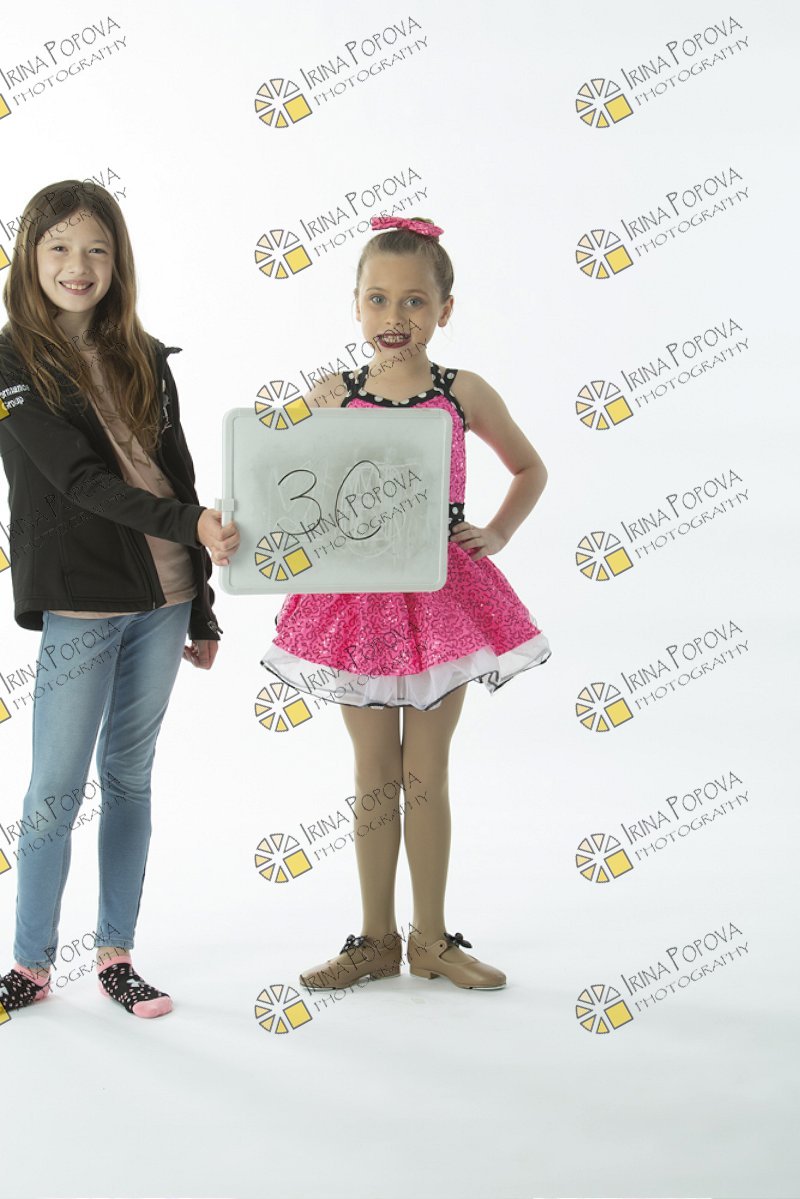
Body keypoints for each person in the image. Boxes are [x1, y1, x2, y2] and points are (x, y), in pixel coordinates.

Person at [261, 214, 551, 991]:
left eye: (416, 301)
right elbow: (282, 482)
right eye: (380, 299)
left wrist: (497, 530)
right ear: (356, 305)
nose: (397, 316)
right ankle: (373, 937)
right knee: (372, 771)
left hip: (439, 599)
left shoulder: (463, 392)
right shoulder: (334, 394)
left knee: (426, 770)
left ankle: (432, 937)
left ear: (445, 309)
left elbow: (529, 467)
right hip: (355, 602)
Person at [0, 180, 239, 1019]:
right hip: (84, 601)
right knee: (54, 790)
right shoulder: (11, 363)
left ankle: (116, 955)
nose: (79, 265)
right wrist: (191, 523)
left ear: (118, 261)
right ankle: (31, 963)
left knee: (129, 776)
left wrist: (200, 603)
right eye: (60, 247)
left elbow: (179, 476)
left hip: (165, 595)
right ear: (30, 258)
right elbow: (77, 480)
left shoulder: (144, 353)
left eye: (97, 248)